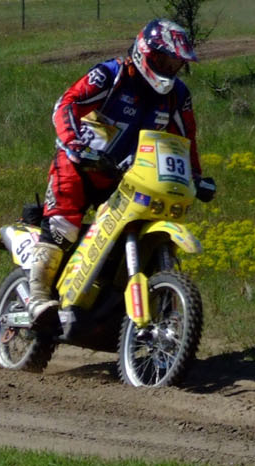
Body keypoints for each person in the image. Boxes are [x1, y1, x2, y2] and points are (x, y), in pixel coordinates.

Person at [25, 18, 216, 321]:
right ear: (144, 52)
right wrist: (74, 143)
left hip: (124, 177)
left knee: (131, 235)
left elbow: (186, 138)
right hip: (79, 163)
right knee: (63, 226)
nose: (169, 67)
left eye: (175, 63)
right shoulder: (111, 75)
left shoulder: (178, 95)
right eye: (163, 59)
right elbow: (67, 103)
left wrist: (194, 176)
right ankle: (36, 297)